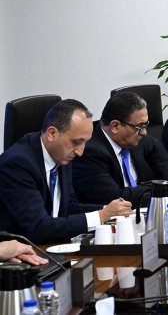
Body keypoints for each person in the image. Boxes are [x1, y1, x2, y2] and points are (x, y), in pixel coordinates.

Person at [0, 99, 132, 244]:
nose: (80, 152)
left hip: (52, 245)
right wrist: (100, 216)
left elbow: (68, 207)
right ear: (52, 134)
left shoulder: (61, 154)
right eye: (76, 142)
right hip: (22, 252)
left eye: (85, 142)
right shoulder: (17, 164)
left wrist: (109, 210)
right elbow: (38, 228)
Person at [72, 91, 168, 206]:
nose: (144, 132)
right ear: (115, 126)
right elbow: (116, 197)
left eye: (145, 125)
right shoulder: (90, 152)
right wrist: (165, 189)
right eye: (140, 126)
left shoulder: (134, 137)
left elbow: (156, 149)